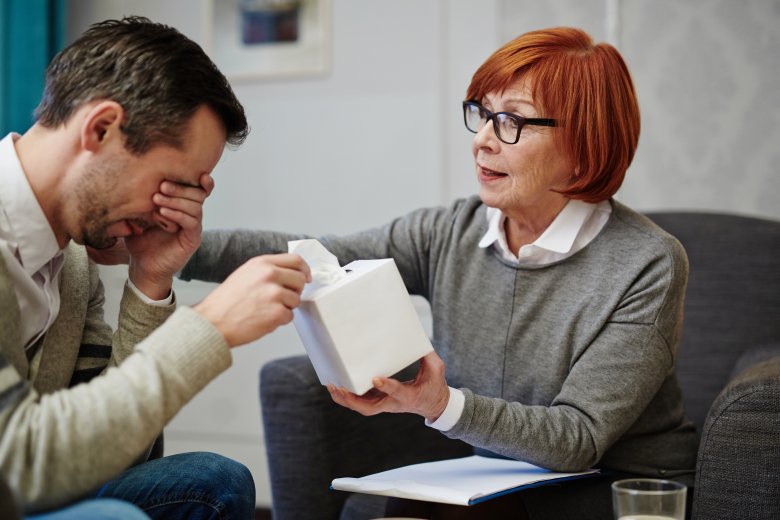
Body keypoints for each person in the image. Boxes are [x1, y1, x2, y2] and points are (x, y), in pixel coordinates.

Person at [174, 26, 699, 519]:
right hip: (497, 473)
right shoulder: (452, 231)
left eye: (511, 122)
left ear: (583, 149)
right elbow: (317, 257)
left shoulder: (646, 262)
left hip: (615, 485)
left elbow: (578, 438)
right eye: (482, 113)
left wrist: (442, 405)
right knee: (370, 510)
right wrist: (179, 245)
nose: (483, 141)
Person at [0, 16, 310, 519]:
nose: (170, 210)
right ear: (101, 129)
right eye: (172, 182)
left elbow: (106, 456)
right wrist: (207, 330)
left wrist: (151, 279)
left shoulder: (71, 267)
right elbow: (19, 468)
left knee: (211, 481)